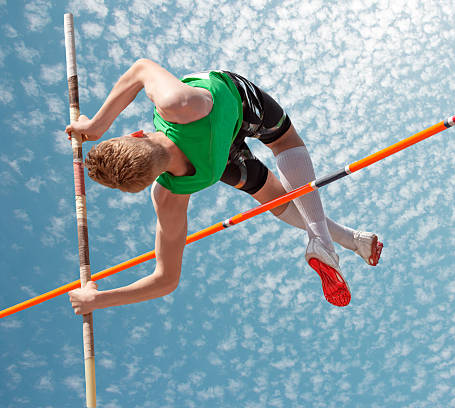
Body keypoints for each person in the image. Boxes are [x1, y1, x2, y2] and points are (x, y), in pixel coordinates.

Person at [66, 59, 382, 312]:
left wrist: (99, 298)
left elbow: (165, 280)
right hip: (237, 105)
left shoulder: (169, 194)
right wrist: (94, 126)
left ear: (145, 181)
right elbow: (139, 69)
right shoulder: (176, 104)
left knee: (276, 201)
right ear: (136, 135)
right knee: (285, 144)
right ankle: (322, 241)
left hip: (219, 162)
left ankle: (353, 241)